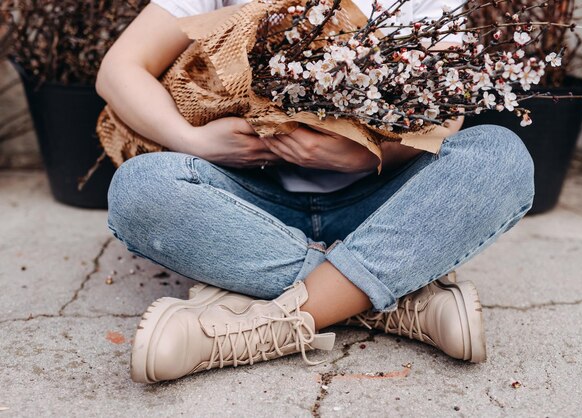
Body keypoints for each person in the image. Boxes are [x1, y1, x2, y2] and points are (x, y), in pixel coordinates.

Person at [97, 0, 535, 384]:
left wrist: (368, 156)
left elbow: (445, 119)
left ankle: (251, 329)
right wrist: (192, 141)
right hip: (247, 207)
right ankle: (395, 302)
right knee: (142, 187)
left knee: (498, 156)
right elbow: (120, 69)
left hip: (381, 203)